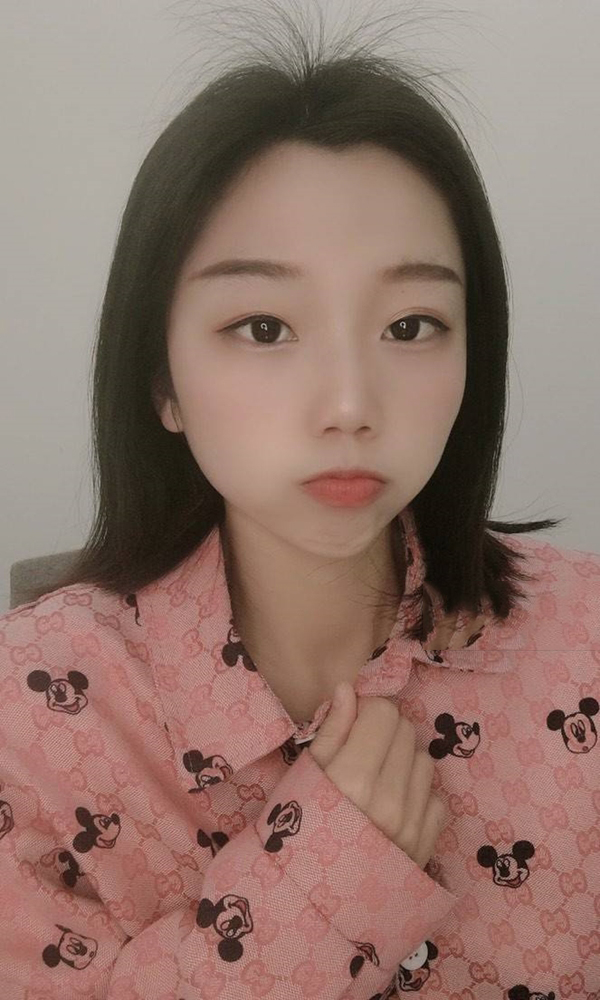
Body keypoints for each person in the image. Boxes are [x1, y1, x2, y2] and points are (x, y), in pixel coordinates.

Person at [1, 4, 598, 998]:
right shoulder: (31, 722)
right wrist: (324, 886)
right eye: (265, 327)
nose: (351, 406)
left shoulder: (587, 641)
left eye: (411, 324)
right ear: (163, 381)